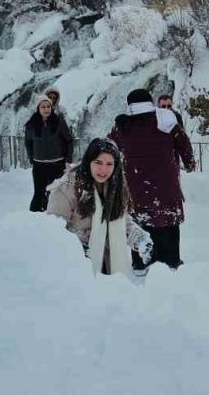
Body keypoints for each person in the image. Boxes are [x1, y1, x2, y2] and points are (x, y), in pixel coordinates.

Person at [109, 89, 196, 269]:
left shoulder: (123, 124)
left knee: (140, 222)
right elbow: (183, 143)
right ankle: (171, 260)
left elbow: (108, 146)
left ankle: (141, 262)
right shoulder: (166, 119)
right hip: (165, 181)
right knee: (168, 222)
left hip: (136, 182)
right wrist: (189, 162)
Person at [47, 138, 156, 279]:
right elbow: (53, 227)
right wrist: (77, 245)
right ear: (88, 161)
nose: (103, 169)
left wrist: (139, 238)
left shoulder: (115, 187)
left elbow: (120, 219)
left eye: (109, 164)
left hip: (108, 263)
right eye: (98, 162)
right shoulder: (69, 186)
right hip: (76, 265)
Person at [24, 95, 74, 212]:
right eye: (43, 107)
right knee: (39, 193)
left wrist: (68, 160)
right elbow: (28, 143)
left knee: (55, 193)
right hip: (39, 165)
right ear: (38, 108)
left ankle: (54, 218)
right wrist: (32, 159)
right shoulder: (31, 125)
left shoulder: (59, 122)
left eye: (48, 106)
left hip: (57, 164)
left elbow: (69, 141)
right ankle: (33, 219)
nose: (46, 109)